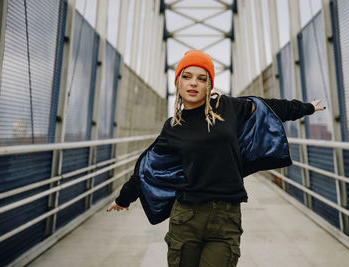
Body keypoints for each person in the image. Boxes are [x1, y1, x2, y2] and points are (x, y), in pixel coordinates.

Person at [107, 50, 325, 266]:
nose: (193, 83)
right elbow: (149, 168)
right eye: (187, 76)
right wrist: (124, 198)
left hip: (226, 216)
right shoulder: (173, 127)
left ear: (209, 84)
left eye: (202, 79)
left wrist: (305, 108)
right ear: (178, 83)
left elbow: (267, 108)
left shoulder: (227, 107)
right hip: (186, 217)